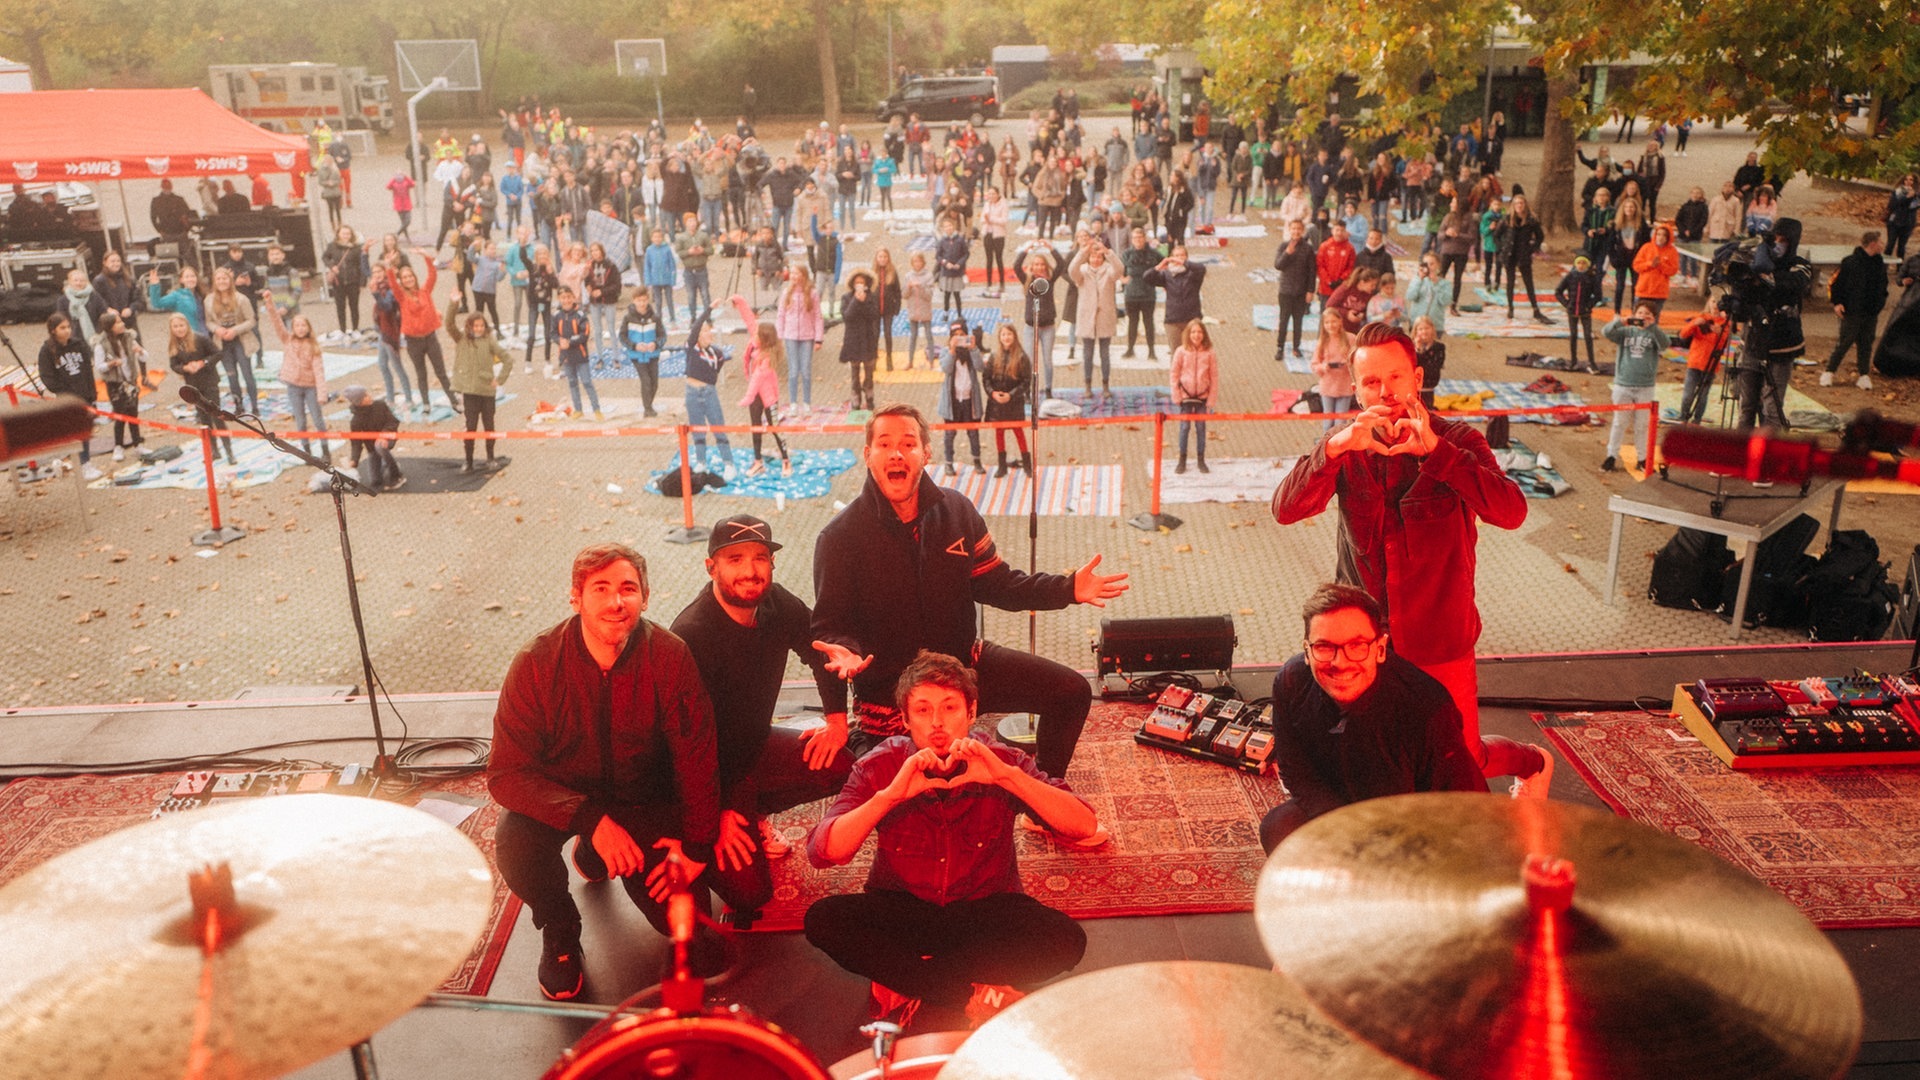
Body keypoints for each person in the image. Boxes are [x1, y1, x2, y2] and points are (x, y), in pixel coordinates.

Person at [1273, 322, 1550, 796]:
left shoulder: (1457, 440)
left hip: (1438, 635)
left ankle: (1533, 762)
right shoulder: (1346, 447)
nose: (1387, 392)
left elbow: (1511, 511)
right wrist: (1336, 447)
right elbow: (1286, 509)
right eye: (1372, 383)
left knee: (1463, 760)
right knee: (1375, 745)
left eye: (1396, 378)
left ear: (1418, 378)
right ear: (1357, 392)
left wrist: (1438, 454)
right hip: (1367, 638)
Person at [812, 403, 1128, 793]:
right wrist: (843, 652)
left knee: (1072, 691)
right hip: (891, 693)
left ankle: (1043, 794)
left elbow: (998, 583)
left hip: (963, 667)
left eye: (908, 443)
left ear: (925, 453)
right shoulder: (838, 538)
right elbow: (828, 628)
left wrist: (1067, 589)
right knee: (916, 792)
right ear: (868, 455)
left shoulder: (957, 510)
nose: (897, 453)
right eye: (885, 444)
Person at [490, 543, 751, 1001]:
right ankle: (560, 926)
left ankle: (596, 851)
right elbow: (507, 774)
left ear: (645, 598)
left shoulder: (670, 656)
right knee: (514, 839)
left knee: (690, 925)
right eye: (601, 589)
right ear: (576, 597)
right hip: (567, 801)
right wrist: (590, 820)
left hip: (641, 802)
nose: (616, 602)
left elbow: (697, 758)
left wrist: (694, 845)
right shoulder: (535, 663)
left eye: (628, 589)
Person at [804, 649, 1094, 1026]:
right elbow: (825, 852)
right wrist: (890, 796)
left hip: (985, 910)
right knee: (822, 919)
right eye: (923, 710)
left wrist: (1006, 778)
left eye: (950, 708)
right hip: (904, 908)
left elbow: (1083, 825)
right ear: (905, 719)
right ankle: (971, 991)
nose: (937, 723)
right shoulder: (880, 765)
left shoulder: (1001, 761)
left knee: (1067, 940)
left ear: (971, 714)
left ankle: (911, 978)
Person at [667, 515, 852, 918]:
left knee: (841, 764)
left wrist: (837, 720)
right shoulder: (692, 636)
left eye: (760, 557)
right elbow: (686, 747)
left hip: (751, 747)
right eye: (735, 559)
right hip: (702, 773)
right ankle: (691, 833)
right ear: (711, 567)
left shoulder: (776, 602)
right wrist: (718, 812)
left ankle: (755, 813)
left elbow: (820, 650)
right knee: (750, 896)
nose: (750, 571)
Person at [1258, 584, 1488, 852]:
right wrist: (1349, 831)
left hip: (1411, 825)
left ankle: (1533, 761)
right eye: (1324, 646)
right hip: (1342, 809)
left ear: (1380, 649)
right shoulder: (1289, 681)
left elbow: (1457, 810)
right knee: (1280, 828)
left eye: (1357, 645)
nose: (1340, 662)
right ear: (1307, 652)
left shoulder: (1426, 707)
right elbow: (1296, 771)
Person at [259, 290, 330, 459]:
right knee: (300, 421)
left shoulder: (314, 346)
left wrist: (322, 393)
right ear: (293, 328)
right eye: (297, 325)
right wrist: (269, 303)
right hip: (293, 387)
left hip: (311, 387)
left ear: (308, 328)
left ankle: (325, 449)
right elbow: (276, 321)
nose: (300, 328)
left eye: (303, 325)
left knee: (317, 418)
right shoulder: (287, 339)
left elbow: (319, 372)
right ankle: (306, 451)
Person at [1599, 302, 1670, 472]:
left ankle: (1642, 458)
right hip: (1623, 383)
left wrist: (1652, 327)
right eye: (1639, 312)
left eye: (1647, 313)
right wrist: (1621, 321)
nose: (1642, 316)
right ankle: (1611, 455)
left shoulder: (1654, 333)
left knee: (1642, 425)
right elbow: (1606, 332)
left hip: (1645, 386)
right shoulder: (1625, 332)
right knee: (1619, 422)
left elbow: (1665, 344)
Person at [447, 303, 513, 473]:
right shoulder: (461, 339)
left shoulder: (489, 342)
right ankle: (468, 461)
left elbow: (508, 359)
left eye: (482, 325)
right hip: (470, 392)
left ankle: (490, 458)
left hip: (487, 392)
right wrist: (454, 304)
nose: (479, 328)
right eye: (476, 325)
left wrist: (500, 379)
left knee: (489, 426)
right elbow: (449, 324)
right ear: (469, 326)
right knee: (471, 427)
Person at [393, 255, 461, 416]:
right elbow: (392, 284)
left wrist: (426, 257)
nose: (408, 279)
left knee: (441, 372)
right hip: (413, 341)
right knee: (421, 373)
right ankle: (426, 404)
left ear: (414, 277)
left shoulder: (424, 291)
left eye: (410, 276)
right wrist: (390, 268)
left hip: (430, 337)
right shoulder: (401, 297)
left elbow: (432, 274)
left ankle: (454, 401)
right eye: (404, 277)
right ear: (401, 281)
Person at [1824, 230, 1889, 390]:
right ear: (1873, 244)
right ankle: (1829, 371)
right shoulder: (1850, 262)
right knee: (1844, 342)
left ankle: (1864, 375)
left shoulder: (1880, 264)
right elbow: (1836, 284)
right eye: (1881, 242)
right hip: (1852, 311)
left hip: (1871, 312)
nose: (1883, 245)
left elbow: (1883, 286)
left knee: (1866, 343)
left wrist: (1880, 303)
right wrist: (1837, 303)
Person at [682, 307, 733, 473]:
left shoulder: (717, 354)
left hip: (709, 393)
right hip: (692, 393)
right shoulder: (691, 348)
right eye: (703, 330)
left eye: (708, 330)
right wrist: (710, 309)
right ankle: (701, 462)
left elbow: (713, 376)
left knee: (719, 427)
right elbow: (696, 326)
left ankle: (728, 463)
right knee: (698, 430)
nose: (707, 333)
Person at [1068, 238, 1121, 396]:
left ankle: (1105, 385)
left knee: (1105, 353)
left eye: (1099, 257)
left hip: (1105, 316)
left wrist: (1108, 252)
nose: (1096, 259)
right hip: (1087, 317)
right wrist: (1083, 251)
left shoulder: (1109, 271)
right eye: (1093, 256)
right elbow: (1071, 269)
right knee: (1087, 353)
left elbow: (1120, 268)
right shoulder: (1082, 272)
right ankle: (1088, 385)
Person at [984, 324, 1032, 478]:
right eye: (1003, 334)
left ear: (1014, 336)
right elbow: (986, 379)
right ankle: (1002, 466)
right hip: (997, 404)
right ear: (999, 337)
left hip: (1014, 403)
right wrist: (993, 394)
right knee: (999, 433)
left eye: (1009, 334)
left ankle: (1027, 465)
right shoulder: (993, 356)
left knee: (1019, 432)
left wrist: (1011, 395)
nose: (1006, 337)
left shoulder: (1022, 357)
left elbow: (1026, 382)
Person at [1141, 244, 1206, 354]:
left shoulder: (1193, 273)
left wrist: (1183, 263)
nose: (1178, 258)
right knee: (1176, 354)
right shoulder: (1167, 274)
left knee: (1193, 352)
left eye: (1182, 255)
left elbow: (1202, 268)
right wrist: (1159, 266)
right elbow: (1147, 278)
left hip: (1192, 319)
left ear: (1186, 257)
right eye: (1175, 256)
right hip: (1173, 320)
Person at [1170, 320, 1216, 475]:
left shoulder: (1209, 353)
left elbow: (1214, 377)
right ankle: (1182, 459)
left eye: (1200, 332)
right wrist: (1176, 395)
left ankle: (1201, 460)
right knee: (1184, 428)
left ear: (1204, 335)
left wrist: (1211, 400)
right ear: (1188, 334)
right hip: (1185, 397)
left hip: (1202, 397)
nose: (1197, 335)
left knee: (1201, 428)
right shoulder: (1180, 352)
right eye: (1193, 332)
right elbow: (1174, 374)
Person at [340, 385, 404, 490]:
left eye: (367, 393)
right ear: (358, 402)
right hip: (372, 448)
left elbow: (393, 421)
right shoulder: (356, 421)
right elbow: (356, 442)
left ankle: (397, 475)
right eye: (365, 396)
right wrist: (354, 460)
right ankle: (389, 462)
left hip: (388, 437)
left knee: (380, 446)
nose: (369, 396)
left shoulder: (380, 405)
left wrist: (384, 434)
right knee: (375, 481)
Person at [1676, 308, 1732, 425]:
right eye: (1713, 302)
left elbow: (1723, 345)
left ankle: (1697, 419)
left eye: (1718, 304)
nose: (1715, 306)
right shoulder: (1700, 318)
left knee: (1702, 395)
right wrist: (1693, 323)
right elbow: (1683, 334)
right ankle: (1683, 417)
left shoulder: (1725, 324)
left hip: (1710, 366)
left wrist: (1720, 333)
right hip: (1694, 363)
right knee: (1688, 394)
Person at [552, 287, 600, 420]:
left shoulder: (580, 314)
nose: (566, 300)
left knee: (586, 382)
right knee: (572, 382)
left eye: (568, 297)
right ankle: (578, 409)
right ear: (559, 299)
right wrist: (559, 340)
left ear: (573, 298)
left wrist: (570, 342)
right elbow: (552, 333)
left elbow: (585, 333)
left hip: (580, 355)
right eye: (563, 298)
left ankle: (596, 409)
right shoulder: (556, 315)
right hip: (566, 356)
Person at [840, 271, 882, 412]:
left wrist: (864, 302)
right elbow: (847, 316)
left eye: (862, 283)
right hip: (853, 340)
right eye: (857, 283)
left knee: (869, 371)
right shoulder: (846, 298)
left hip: (868, 339)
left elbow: (874, 315)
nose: (859, 285)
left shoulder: (872, 297)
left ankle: (870, 398)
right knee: (854, 372)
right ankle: (855, 398)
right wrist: (856, 301)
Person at [621, 288, 666, 418]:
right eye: (639, 300)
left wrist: (655, 344)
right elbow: (622, 336)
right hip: (637, 356)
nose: (642, 303)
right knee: (645, 380)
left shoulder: (655, 317)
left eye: (644, 300)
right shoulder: (628, 318)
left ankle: (649, 403)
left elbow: (662, 335)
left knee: (654, 382)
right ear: (634, 301)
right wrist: (634, 346)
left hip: (653, 355)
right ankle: (648, 408)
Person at [1554, 255, 1604, 372]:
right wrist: (1566, 304)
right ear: (1575, 264)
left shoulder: (1592, 277)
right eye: (1579, 263)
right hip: (1572, 311)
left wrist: (1588, 306)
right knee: (1573, 336)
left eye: (1583, 263)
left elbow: (1598, 295)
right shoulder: (1570, 276)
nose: (1581, 265)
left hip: (1585, 312)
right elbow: (1558, 291)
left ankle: (1592, 362)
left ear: (1587, 265)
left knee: (1588, 336)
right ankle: (1573, 361)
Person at [1120, 227, 1161, 361]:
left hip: (1148, 294)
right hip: (1131, 294)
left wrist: (1160, 281)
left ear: (1145, 238)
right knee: (1132, 323)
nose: (1138, 240)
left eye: (1140, 237)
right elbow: (1120, 269)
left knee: (1149, 323)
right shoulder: (1126, 254)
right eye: (1135, 238)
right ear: (1132, 240)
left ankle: (1152, 351)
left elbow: (1164, 266)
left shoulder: (1154, 254)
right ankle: (1130, 349)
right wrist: (1122, 279)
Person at [1631, 223, 1681, 320]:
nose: (1661, 237)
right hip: (1643, 290)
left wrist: (1660, 265)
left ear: (1668, 237)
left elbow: (1673, 271)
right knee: (1637, 319)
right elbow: (1636, 266)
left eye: (1664, 235)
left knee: (1653, 321)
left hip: (1659, 292)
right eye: (1659, 234)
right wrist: (1650, 264)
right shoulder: (1646, 247)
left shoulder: (1672, 251)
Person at [1314, 221, 1356, 315]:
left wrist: (1341, 280)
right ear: (1332, 231)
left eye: (1342, 230)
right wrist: (1328, 281)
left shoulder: (1350, 248)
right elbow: (1320, 266)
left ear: (1345, 232)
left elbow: (1351, 267)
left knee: (1340, 316)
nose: (1339, 233)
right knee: (1325, 315)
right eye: (1337, 230)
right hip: (1325, 288)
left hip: (1341, 288)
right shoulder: (1325, 246)